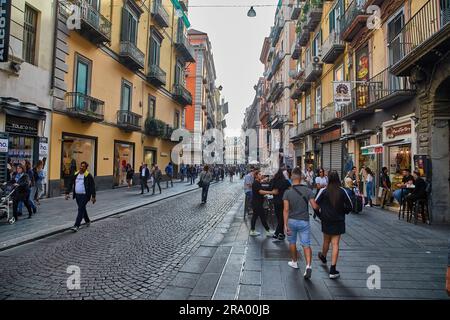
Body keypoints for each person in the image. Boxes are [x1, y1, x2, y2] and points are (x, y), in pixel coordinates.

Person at [315, 171, 353, 279]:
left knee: (326, 240)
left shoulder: (324, 191)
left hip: (326, 220)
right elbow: (350, 206)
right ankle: (333, 269)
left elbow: (315, 205)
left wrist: (320, 216)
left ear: (328, 179)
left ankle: (323, 256)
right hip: (338, 220)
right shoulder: (342, 191)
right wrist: (343, 211)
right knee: (335, 244)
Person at [283, 167, 318, 278]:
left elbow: (286, 210)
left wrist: (285, 224)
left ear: (292, 177)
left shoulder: (287, 192)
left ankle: (294, 261)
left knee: (292, 242)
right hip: (304, 221)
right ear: (301, 177)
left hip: (292, 221)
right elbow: (314, 206)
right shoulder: (308, 190)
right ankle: (308, 266)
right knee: (306, 244)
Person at [65, 161, 96, 232]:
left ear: (86, 168)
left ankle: (76, 225)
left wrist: (93, 197)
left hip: (85, 195)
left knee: (80, 209)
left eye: (83, 166)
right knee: (82, 208)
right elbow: (70, 183)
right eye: (81, 166)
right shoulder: (76, 174)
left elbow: (92, 187)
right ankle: (87, 221)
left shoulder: (88, 175)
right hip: (77, 195)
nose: (81, 167)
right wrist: (67, 193)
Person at [249, 170, 275, 237]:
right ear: (256, 175)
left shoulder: (258, 182)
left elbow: (260, 192)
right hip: (257, 203)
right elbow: (260, 192)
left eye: (261, 174)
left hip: (256, 203)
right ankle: (267, 231)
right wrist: (271, 192)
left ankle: (252, 230)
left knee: (255, 217)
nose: (261, 175)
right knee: (262, 217)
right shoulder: (256, 183)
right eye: (260, 174)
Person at [270, 169, 291, 241]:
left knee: (279, 217)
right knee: (281, 218)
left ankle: (277, 233)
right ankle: (280, 233)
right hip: (284, 201)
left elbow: (270, 188)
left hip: (276, 201)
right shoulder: (285, 181)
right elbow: (290, 188)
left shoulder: (273, 181)